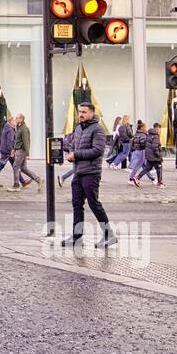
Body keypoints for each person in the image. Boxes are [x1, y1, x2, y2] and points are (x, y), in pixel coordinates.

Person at [62, 103, 115, 247]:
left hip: (91, 172)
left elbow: (97, 150)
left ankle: (109, 235)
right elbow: (75, 145)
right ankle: (77, 237)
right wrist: (70, 152)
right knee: (77, 204)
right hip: (78, 171)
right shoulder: (79, 127)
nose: (81, 114)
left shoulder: (97, 129)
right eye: (80, 111)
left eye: (84, 112)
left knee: (94, 203)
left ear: (92, 113)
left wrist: (76, 155)